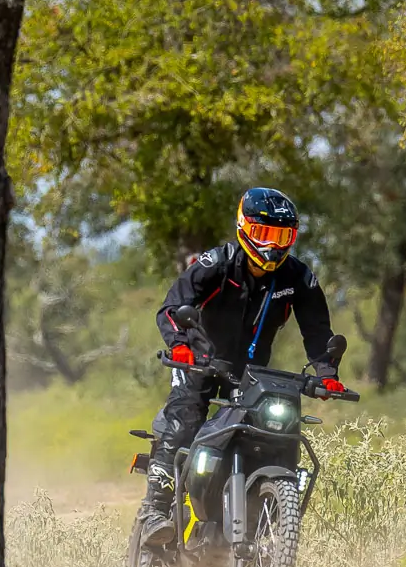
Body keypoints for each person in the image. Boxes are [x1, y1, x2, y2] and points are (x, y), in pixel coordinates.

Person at [137, 186, 348, 548]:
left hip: (253, 374)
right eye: (264, 234)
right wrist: (182, 346)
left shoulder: (298, 277)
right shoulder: (215, 264)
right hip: (200, 363)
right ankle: (155, 510)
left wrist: (326, 374)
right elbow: (172, 308)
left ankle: (263, 514)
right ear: (243, 227)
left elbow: (317, 330)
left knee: (271, 433)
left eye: (282, 236)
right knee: (185, 417)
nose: (273, 245)